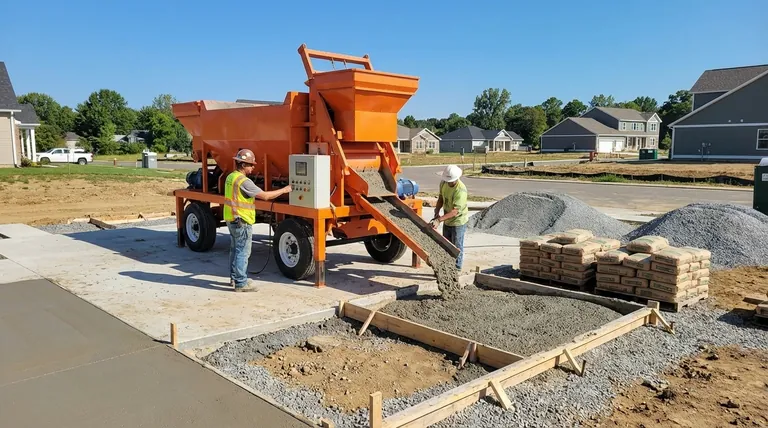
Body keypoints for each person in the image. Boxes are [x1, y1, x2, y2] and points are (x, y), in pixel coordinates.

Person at [224, 149, 292, 292]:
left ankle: (234, 278)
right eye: (250, 165)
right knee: (243, 252)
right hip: (242, 220)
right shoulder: (244, 181)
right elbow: (265, 196)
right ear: (243, 165)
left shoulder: (231, 177)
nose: (253, 167)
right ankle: (241, 283)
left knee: (235, 250)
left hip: (231, 218)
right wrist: (284, 190)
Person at [431, 164, 469, 271]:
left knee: (456, 246)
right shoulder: (444, 183)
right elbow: (441, 198)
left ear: (457, 178)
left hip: (458, 221)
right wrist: (436, 212)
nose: (449, 182)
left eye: (451, 181)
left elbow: (455, 212)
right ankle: (447, 266)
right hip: (447, 220)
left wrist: (439, 220)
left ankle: (456, 269)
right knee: (446, 244)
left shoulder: (460, 190)